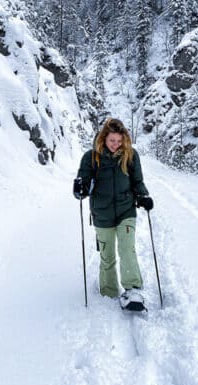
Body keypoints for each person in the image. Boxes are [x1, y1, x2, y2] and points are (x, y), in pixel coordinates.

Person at [73, 117, 154, 311]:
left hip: (126, 209)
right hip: (102, 213)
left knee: (127, 248)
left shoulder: (131, 155)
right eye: (112, 141)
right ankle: (108, 291)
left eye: (119, 141)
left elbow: (137, 181)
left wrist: (143, 196)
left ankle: (132, 289)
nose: (115, 145)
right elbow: (82, 182)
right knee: (107, 256)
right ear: (103, 139)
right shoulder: (91, 157)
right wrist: (79, 189)